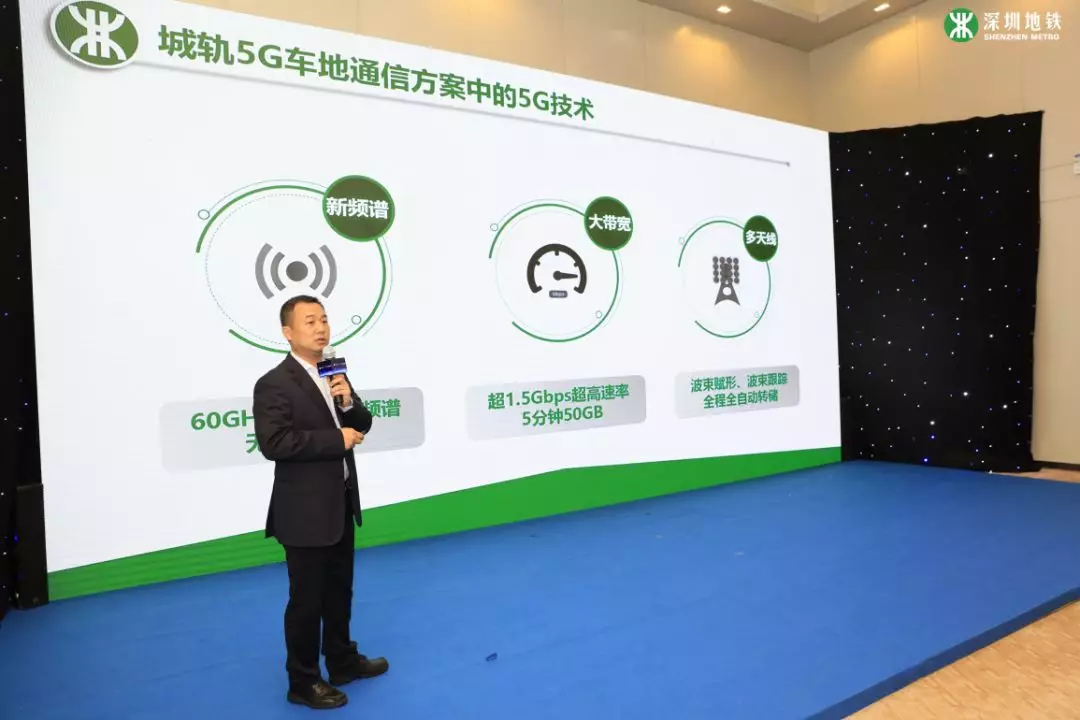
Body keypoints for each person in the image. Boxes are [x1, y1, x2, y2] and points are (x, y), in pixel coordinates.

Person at [252, 294, 389, 710]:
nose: (321, 327)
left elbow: (362, 423)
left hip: (340, 503)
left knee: (339, 591)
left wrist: (346, 401)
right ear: (287, 332)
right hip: (304, 512)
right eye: (310, 321)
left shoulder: (333, 371)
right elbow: (275, 443)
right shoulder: (275, 383)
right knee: (306, 601)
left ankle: (342, 661)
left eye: (324, 319)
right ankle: (303, 681)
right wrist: (336, 439)